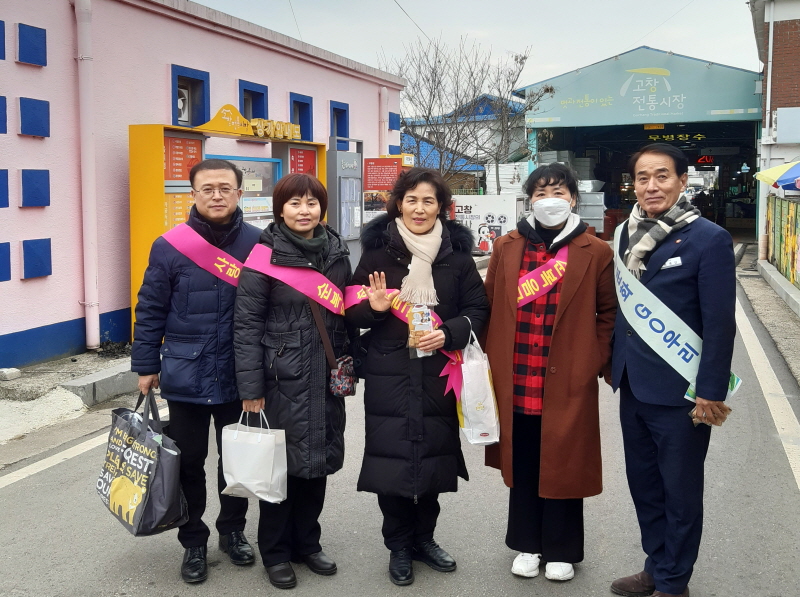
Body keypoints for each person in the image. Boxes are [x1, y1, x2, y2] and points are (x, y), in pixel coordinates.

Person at [345, 167, 489, 586]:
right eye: (412, 200)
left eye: (429, 200)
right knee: (390, 464)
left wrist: (449, 332)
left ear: (441, 206)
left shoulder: (457, 257)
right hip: (389, 372)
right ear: (398, 204)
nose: (420, 208)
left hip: (439, 373)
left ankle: (425, 539)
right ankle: (399, 547)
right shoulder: (377, 254)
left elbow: (478, 310)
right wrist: (373, 308)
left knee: (434, 461)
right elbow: (350, 310)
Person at [610, 144, 736, 597]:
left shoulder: (709, 239)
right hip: (633, 384)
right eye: (642, 177)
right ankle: (656, 564)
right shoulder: (625, 234)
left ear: (683, 181)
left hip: (682, 391)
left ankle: (673, 581)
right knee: (644, 485)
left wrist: (711, 391)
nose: (651, 186)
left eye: (661, 176)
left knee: (680, 491)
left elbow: (719, 324)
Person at [482, 163, 616, 583]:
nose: (549, 200)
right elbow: (488, 305)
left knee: (564, 462)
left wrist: (593, 358)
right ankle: (527, 544)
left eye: (558, 191)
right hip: (517, 375)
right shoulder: (506, 247)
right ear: (529, 200)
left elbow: (608, 313)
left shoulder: (596, 251)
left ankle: (561, 549)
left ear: (573, 198)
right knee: (523, 459)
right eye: (540, 193)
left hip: (568, 377)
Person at [131, 159, 261, 583]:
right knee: (187, 461)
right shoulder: (169, 246)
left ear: (240, 193)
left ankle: (233, 531)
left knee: (236, 461)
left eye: (225, 188)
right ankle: (193, 541)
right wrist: (146, 364)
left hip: (240, 374)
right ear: (193, 194)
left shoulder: (260, 244)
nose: (216, 195)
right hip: (186, 374)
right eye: (208, 189)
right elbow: (151, 307)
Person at [233, 173, 352, 590]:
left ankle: (308, 544)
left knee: (315, 466)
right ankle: (276, 552)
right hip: (281, 379)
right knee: (279, 472)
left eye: (312, 203)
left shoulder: (337, 252)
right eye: (295, 203)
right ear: (280, 209)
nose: (305, 211)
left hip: (325, 378)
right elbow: (246, 327)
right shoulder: (263, 256)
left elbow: (345, 314)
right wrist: (251, 390)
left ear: (322, 207)